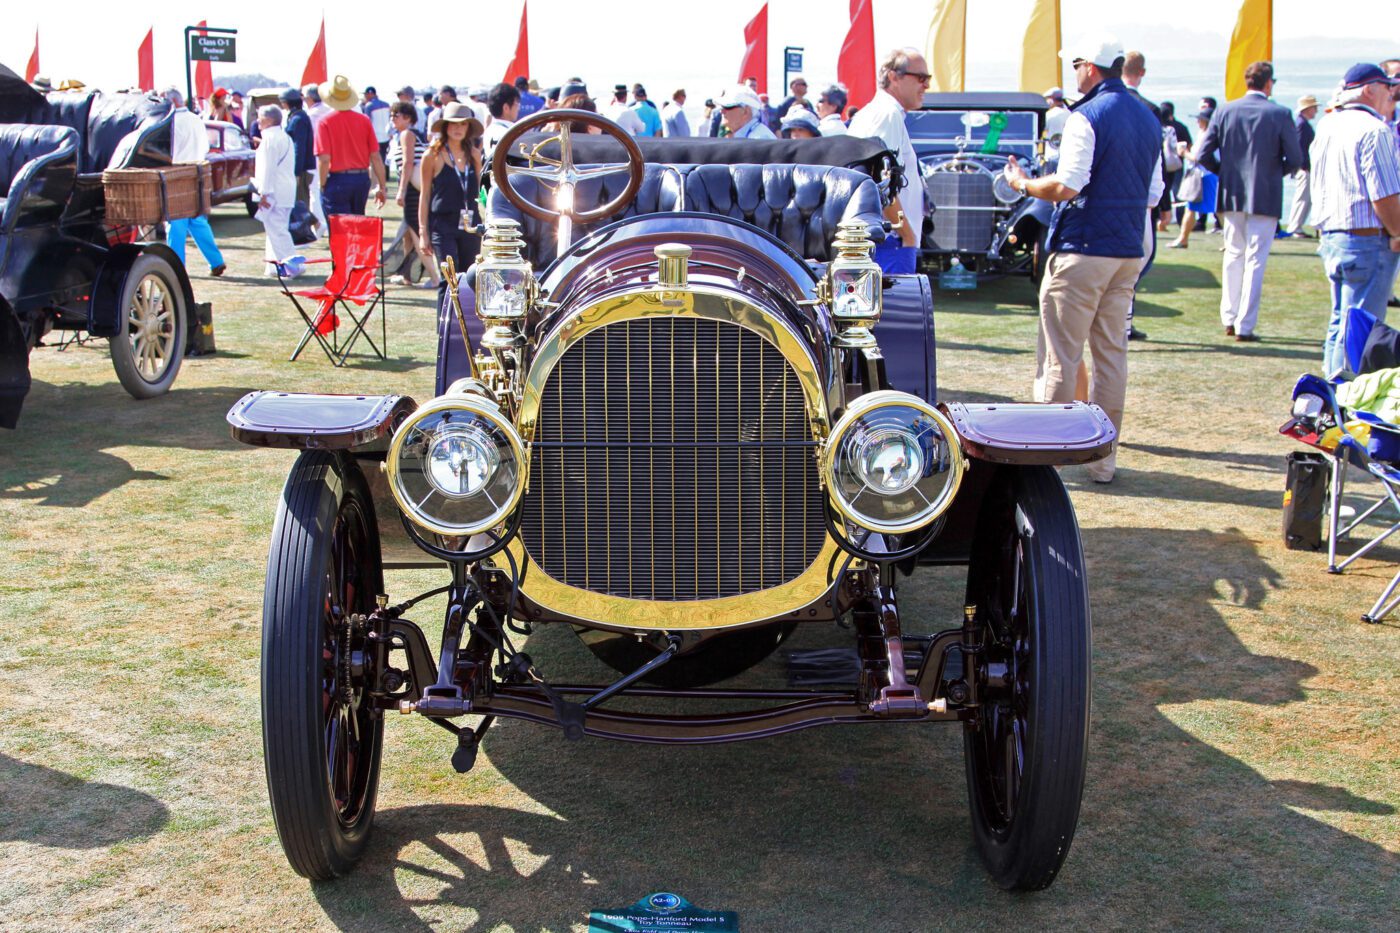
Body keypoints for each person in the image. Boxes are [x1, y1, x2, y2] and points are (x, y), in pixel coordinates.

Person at [1003, 34, 1163, 485]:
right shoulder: (1149, 119)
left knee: (1059, 356)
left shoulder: (1085, 116)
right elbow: (1153, 194)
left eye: (1075, 65)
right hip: (1127, 250)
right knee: (1111, 356)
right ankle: (1102, 460)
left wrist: (1023, 184)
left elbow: (1067, 185)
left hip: (1082, 249)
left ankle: (1048, 462)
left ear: (1089, 67)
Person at [1192, 60, 1303, 341]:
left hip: (1231, 193)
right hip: (1265, 194)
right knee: (1255, 259)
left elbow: (1204, 154)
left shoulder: (1225, 110)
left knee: (1233, 254)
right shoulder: (1280, 113)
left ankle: (1229, 317)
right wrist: (1278, 172)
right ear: (1268, 83)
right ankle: (1245, 324)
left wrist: (1225, 173)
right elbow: (1297, 158)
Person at [1312, 63, 1400, 375]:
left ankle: (1331, 396)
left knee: (1340, 323)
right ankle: (1344, 399)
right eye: (1386, 87)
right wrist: (1398, 231)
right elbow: (1384, 195)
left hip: (1334, 235)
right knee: (1361, 329)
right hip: (1366, 240)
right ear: (1369, 89)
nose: (1391, 93)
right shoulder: (1375, 130)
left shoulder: (1327, 126)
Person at [848, 48, 929, 273]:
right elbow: (879, 180)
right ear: (894, 77)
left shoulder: (879, 113)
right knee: (895, 308)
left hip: (885, 238)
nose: (927, 86)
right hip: (889, 241)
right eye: (921, 78)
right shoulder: (887, 114)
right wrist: (906, 233)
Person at [417, 102, 484, 307]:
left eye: (463, 124)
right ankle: (444, 333)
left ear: (469, 128)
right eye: (453, 124)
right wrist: (422, 232)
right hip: (443, 224)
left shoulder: (474, 154)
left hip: (470, 224)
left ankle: (467, 332)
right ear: (445, 126)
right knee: (449, 279)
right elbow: (425, 195)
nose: (458, 128)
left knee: (469, 280)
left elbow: (480, 191)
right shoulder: (432, 155)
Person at [160, 88, 226, 276]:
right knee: (197, 220)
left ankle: (177, 266)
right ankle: (215, 260)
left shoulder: (169, 122)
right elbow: (205, 146)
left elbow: (168, 150)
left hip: (177, 173)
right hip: (197, 172)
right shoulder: (196, 118)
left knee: (176, 222)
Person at [314, 75, 389, 217]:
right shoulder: (364, 120)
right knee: (356, 225)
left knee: (339, 230)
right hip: (360, 179)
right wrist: (382, 186)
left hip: (336, 179)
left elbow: (324, 159)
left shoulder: (324, 122)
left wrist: (322, 184)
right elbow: (375, 157)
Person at [388, 101, 436, 290]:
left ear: (407, 118)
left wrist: (401, 190)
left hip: (414, 191)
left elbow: (408, 163)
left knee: (417, 233)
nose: (393, 119)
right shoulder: (417, 135)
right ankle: (406, 273)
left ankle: (434, 276)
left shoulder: (406, 134)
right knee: (409, 234)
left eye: (396, 115)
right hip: (419, 188)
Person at [251, 105, 298, 276]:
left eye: (260, 118)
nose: (257, 121)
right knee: (275, 230)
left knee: (277, 231)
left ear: (269, 120)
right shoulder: (284, 137)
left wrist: (263, 193)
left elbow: (267, 169)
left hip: (274, 192)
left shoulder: (269, 139)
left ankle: (291, 267)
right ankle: (273, 267)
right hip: (284, 189)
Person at [1169, 107, 1219, 248]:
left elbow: (1198, 157)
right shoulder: (1206, 134)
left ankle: (1183, 239)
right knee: (1197, 208)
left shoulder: (1207, 135)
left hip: (1204, 176)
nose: (1197, 121)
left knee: (1215, 209)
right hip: (1205, 175)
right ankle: (1183, 238)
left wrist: (1183, 152)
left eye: (1200, 119)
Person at [1285, 94, 1320, 237]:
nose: (1316, 111)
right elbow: (1299, 147)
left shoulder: (1301, 123)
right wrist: (1303, 164)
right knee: (1303, 197)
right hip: (1304, 167)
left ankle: (1296, 226)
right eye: (1314, 108)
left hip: (1304, 166)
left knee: (1305, 197)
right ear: (1308, 109)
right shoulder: (1302, 125)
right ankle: (1295, 227)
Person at [279, 88, 315, 212]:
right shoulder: (298, 117)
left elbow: (299, 147)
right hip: (302, 167)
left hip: (301, 169)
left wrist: (296, 172)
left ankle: (310, 228)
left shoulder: (298, 119)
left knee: (300, 204)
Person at [484, 82, 521, 160]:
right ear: (506, 108)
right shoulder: (511, 134)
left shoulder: (489, 130)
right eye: (517, 104)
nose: (518, 108)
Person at [360, 86, 392, 161]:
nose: (365, 96)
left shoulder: (369, 106)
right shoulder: (386, 104)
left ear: (370, 94)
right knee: (386, 159)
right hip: (387, 136)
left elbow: (367, 123)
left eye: (366, 94)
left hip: (376, 137)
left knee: (377, 160)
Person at [1043, 87, 1069, 161]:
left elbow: (1041, 129)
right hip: (1066, 154)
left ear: (1051, 99)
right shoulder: (1070, 113)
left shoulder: (1048, 115)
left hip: (1051, 154)